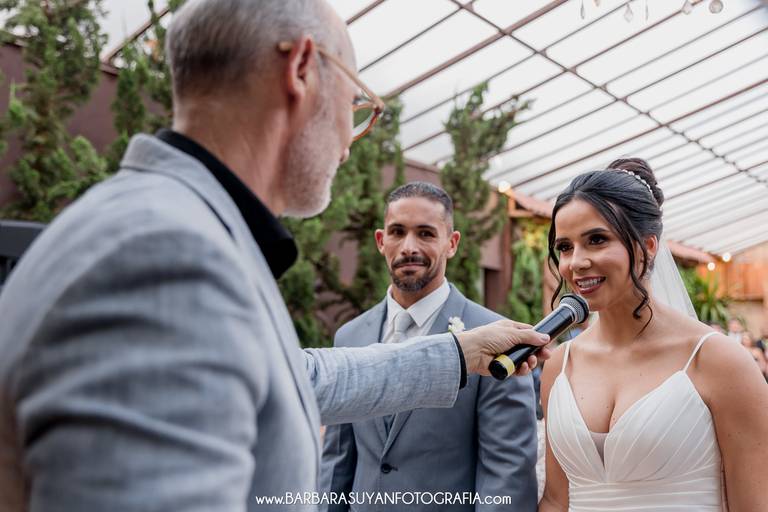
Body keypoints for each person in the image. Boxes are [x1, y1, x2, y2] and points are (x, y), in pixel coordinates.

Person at [0, 1, 550, 510]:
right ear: (302, 69)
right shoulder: (168, 257)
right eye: (354, 105)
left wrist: (459, 353)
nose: (349, 140)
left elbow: (300, 377)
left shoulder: (168, 226)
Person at [538, 158, 768, 511]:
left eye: (597, 240)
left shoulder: (719, 361)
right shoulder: (559, 366)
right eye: (565, 247)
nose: (576, 262)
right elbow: (556, 500)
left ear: (648, 246)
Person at [320, 182, 538, 511]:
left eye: (425, 234)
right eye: (397, 232)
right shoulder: (349, 337)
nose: (409, 247)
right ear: (380, 241)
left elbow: (507, 475)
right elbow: (337, 463)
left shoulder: (498, 340)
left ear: (452, 243)